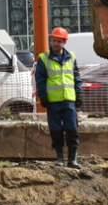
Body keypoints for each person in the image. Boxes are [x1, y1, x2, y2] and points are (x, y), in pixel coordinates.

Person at [35, 26, 84, 168]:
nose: (56, 43)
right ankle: (60, 159)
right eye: (54, 41)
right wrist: (43, 96)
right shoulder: (44, 58)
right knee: (56, 130)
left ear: (64, 42)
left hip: (69, 100)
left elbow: (77, 77)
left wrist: (79, 93)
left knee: (72, 129)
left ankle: (72, 160)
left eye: (59, 41)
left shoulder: (71, 57)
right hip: (53, 101)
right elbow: (40, 80)